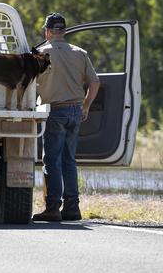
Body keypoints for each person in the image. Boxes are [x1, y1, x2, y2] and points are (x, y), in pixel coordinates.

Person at [32, 13, 100, 222]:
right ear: (64, 31)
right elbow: (95, 82)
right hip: (75, 110)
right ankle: (72, 207)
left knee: (51, 160)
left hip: (55, 110)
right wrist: (86, 106)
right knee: (69, 160)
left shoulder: (41, 54)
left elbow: (28, 83)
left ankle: (53, 207)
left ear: (47, 32)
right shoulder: (80, 53)